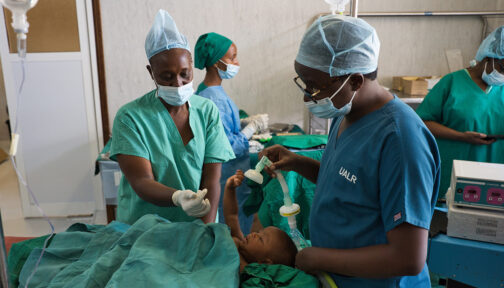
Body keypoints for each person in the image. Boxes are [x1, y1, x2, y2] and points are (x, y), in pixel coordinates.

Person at [260, 15, 440, 287]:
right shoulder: (346, 113)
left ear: (355, 81)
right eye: (304, 83)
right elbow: (351, 186)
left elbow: (408, 257)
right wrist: (298, 162)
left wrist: (319, 258)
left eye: (316, 86)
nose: (308, 96)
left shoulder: (400, 141)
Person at [109, 10, 235, 225]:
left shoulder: (207, 111)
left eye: (184, 74)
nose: (178, 83)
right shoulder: (130, 117)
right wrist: (177, 197)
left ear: (192, 67)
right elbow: (141, 181)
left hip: (196, 224)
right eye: (166, 77)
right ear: (151, 73)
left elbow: (212, 180)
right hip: (144, 227)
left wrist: (206, 229)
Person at [416, 26, 504, 200]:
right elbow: (423, 123)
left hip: (495, 180)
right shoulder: (452, 83)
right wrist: (462, 136)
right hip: (453, 173)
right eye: (503, 66)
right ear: (489, 57)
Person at [194, 32, 268, 233]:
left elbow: (221, 125)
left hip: (228, 171)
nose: (236, 62)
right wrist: (251, 129)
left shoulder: (209, 90)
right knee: (230, 227)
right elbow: (224, 144)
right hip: (224, 172)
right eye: (232, 57)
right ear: (217, 62)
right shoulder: (212, 98)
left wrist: (244, 122)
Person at [223, 170, 297, 272]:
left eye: (261, 239)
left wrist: (233, 246)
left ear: (265, 262)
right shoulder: (242, 244)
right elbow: (232, 217)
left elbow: (243, 270)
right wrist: (230, 189)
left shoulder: (251, 276)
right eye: (258, 232)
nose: (254, 234)